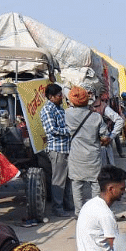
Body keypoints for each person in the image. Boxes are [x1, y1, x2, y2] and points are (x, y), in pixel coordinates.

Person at [66, 86, 111, 213]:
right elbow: (104, 136)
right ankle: (95, 211)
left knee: (77, 185)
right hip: (93, 157)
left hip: (76, 156)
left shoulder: (68, 114)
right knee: (95, 185)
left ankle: (79, 212)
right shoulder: (96, 117)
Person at [40, 83, 74, 218]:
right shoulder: (48, 110)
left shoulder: (59, 108)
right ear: (51, 97)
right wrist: (68, 131)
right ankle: (57, 208)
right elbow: (51, 129)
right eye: (59, 95)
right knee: (58, 180)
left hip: (66, 147)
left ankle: (68, 205)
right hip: (57, 149)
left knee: (67, 179)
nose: (62, 97)